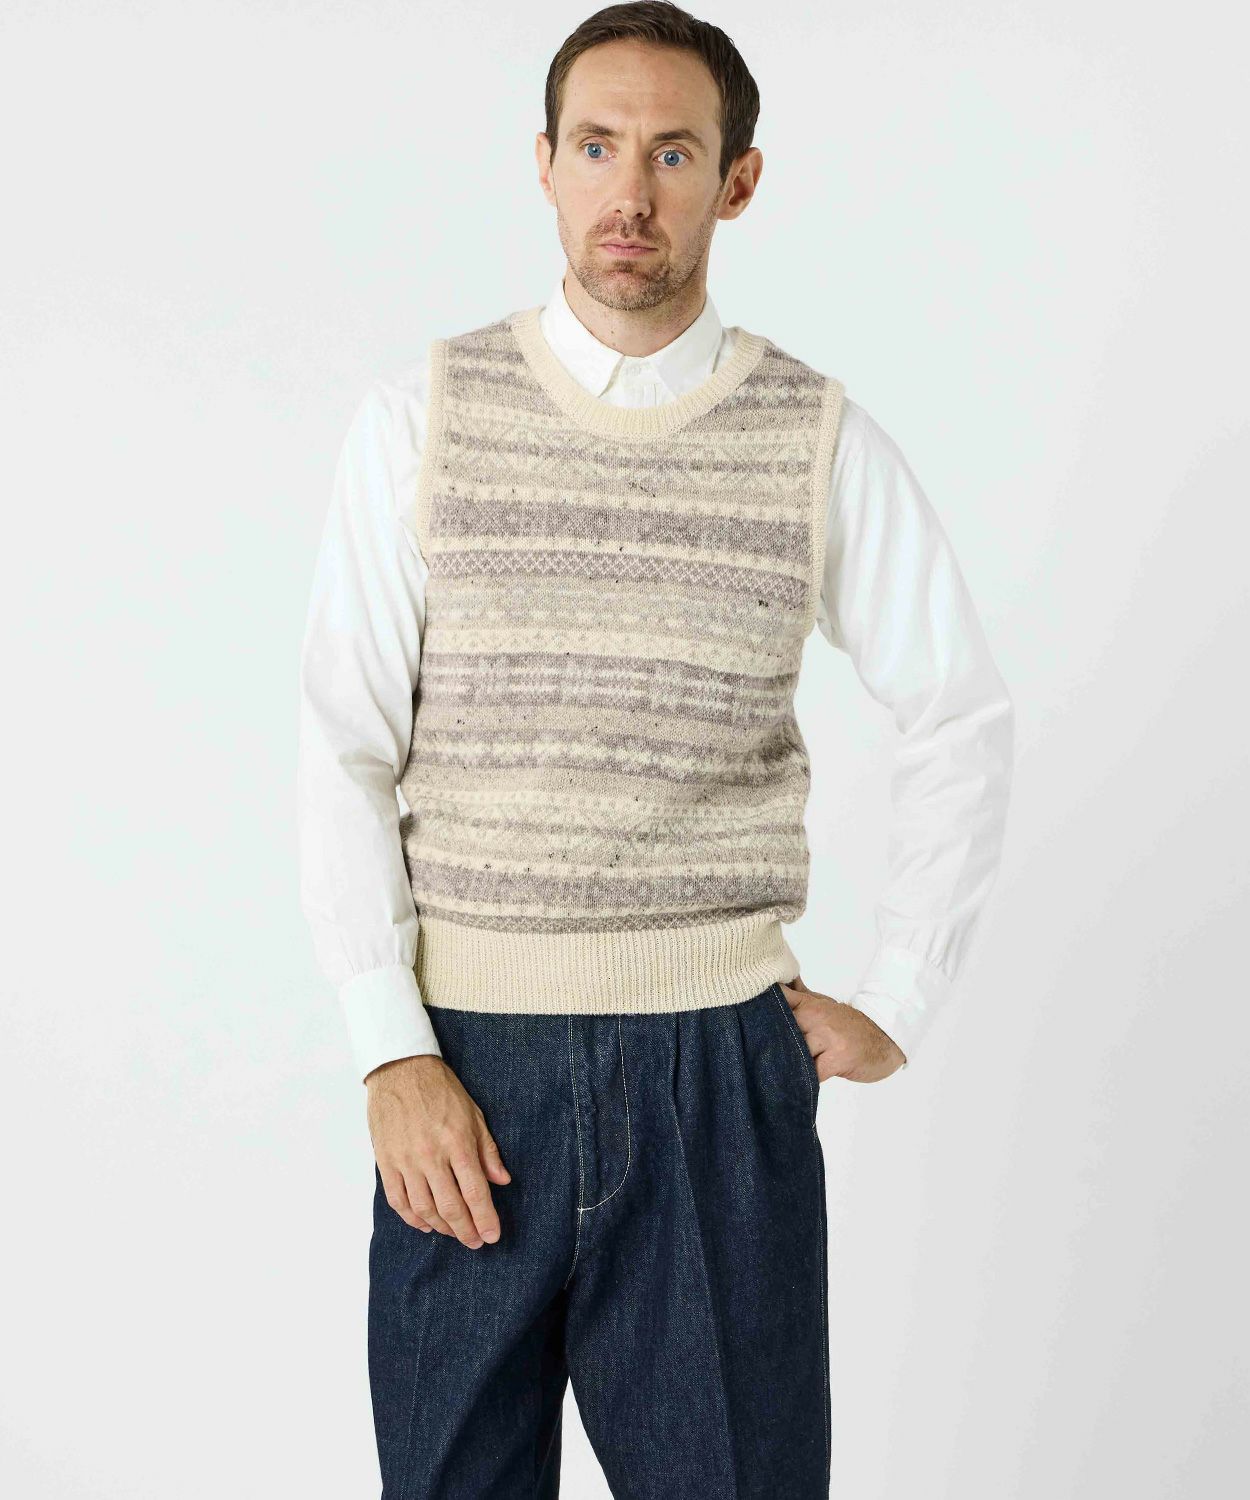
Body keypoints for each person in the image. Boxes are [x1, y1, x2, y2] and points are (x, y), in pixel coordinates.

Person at [296, 3, 1015, 1495]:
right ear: (545, 165)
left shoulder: (814, 440)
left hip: (715, 1077)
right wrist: (389, 1048)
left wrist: (899, 994)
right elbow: (343, 746)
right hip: (464, 1074)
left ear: (736, 182)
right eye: (598, 147)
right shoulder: (423, 421)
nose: (629, 191)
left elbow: (958, 713)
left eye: (673, 154)